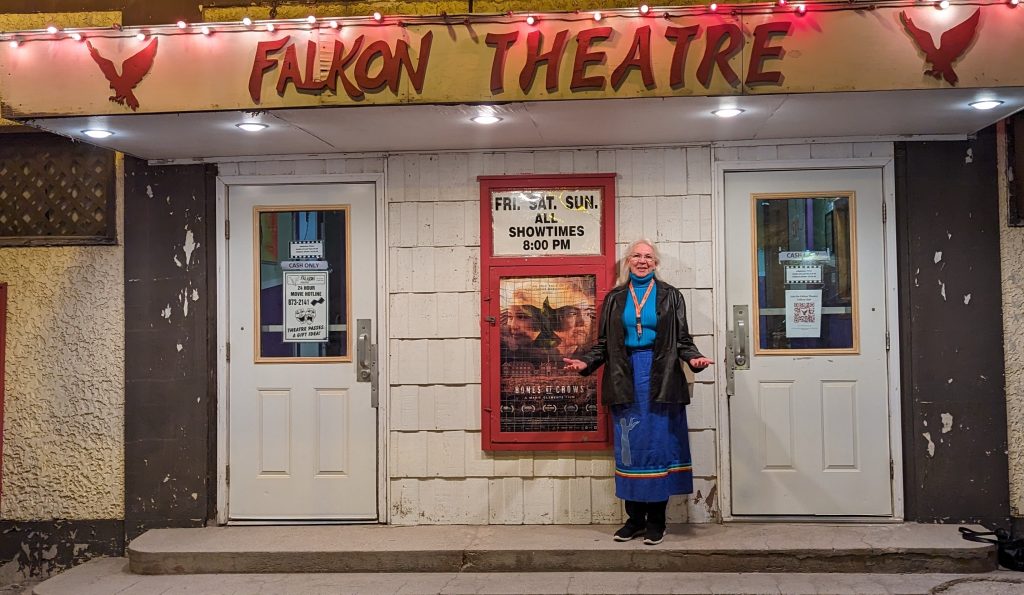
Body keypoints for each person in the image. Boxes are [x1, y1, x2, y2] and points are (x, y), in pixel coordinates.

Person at [563, 239, 713, 546]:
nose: (642, 261)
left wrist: (693, 359)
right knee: (630, 448)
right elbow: (604, 345)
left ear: (656, 263)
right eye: (636, 256)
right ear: (628, 262)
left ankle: (657, 521)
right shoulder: (616, 297)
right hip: (625, 376)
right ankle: (634, 520)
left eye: (648, 257)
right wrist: (585, 362)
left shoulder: (671, 295)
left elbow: (682, 339)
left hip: (661, 377)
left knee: (657, 447)